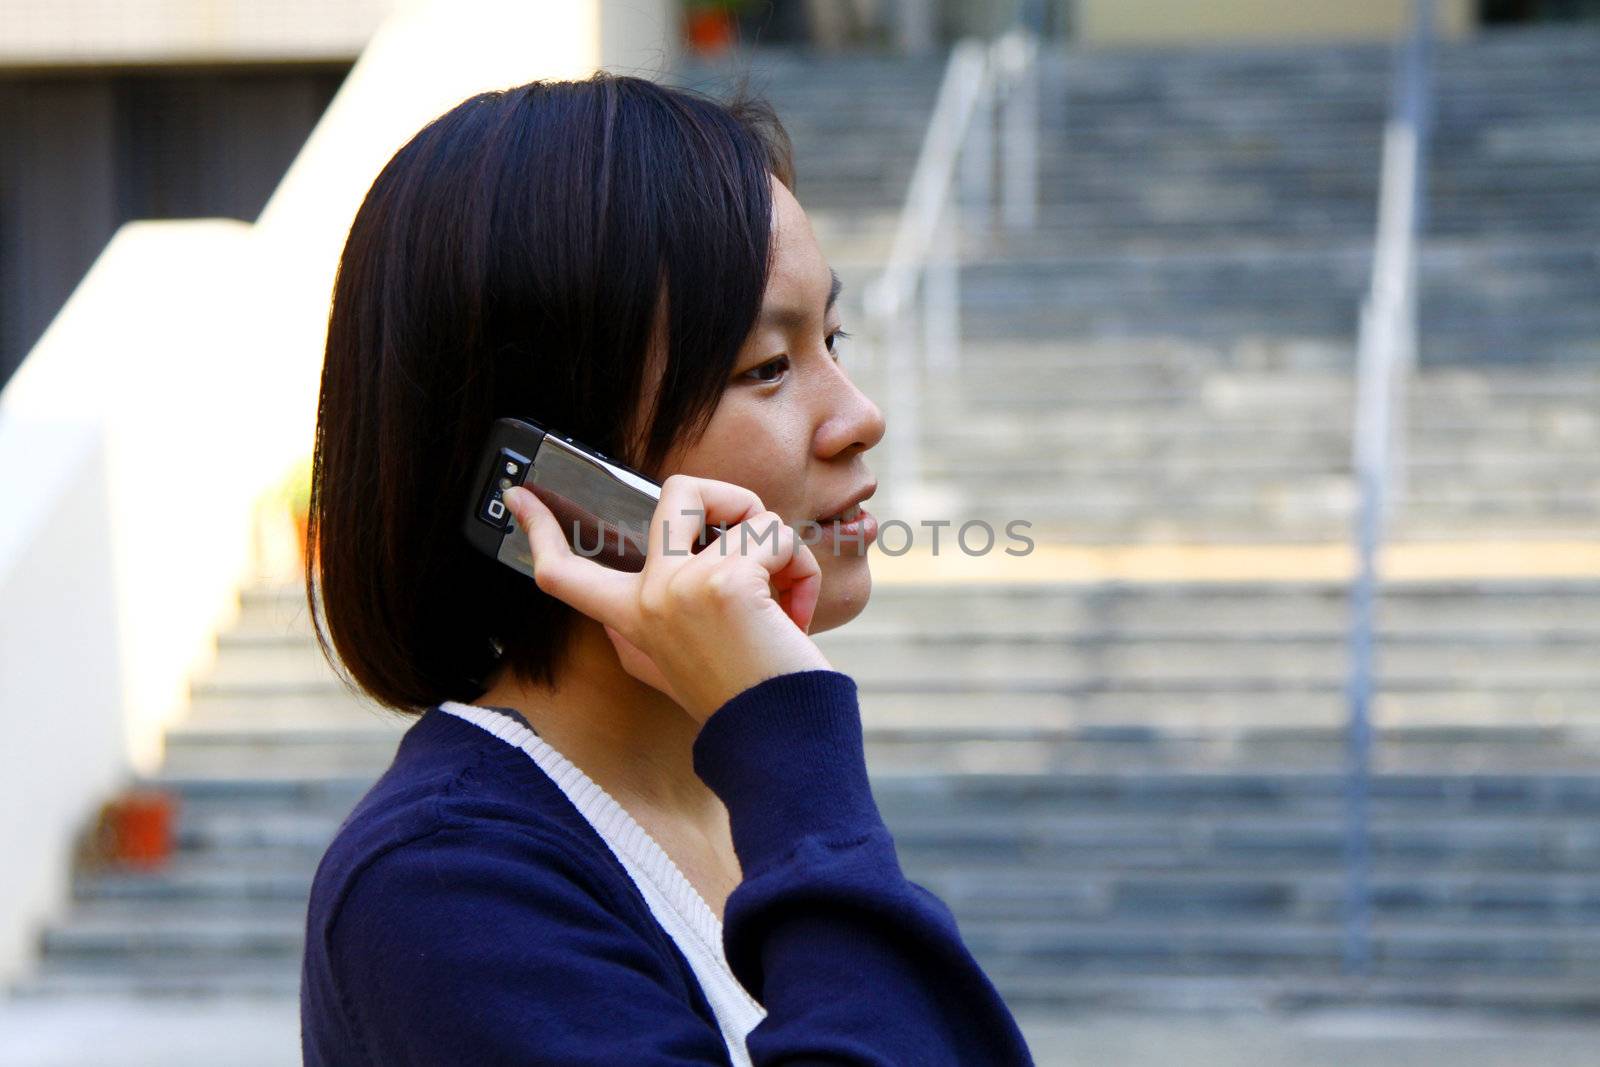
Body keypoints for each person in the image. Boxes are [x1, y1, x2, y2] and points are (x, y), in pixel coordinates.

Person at [298, 71, 1034, 1066]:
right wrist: (791, 733)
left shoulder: (746, 810)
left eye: (833, 336)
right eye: (767, 367)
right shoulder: (443, 885)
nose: (860, 414)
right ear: (560, 474)